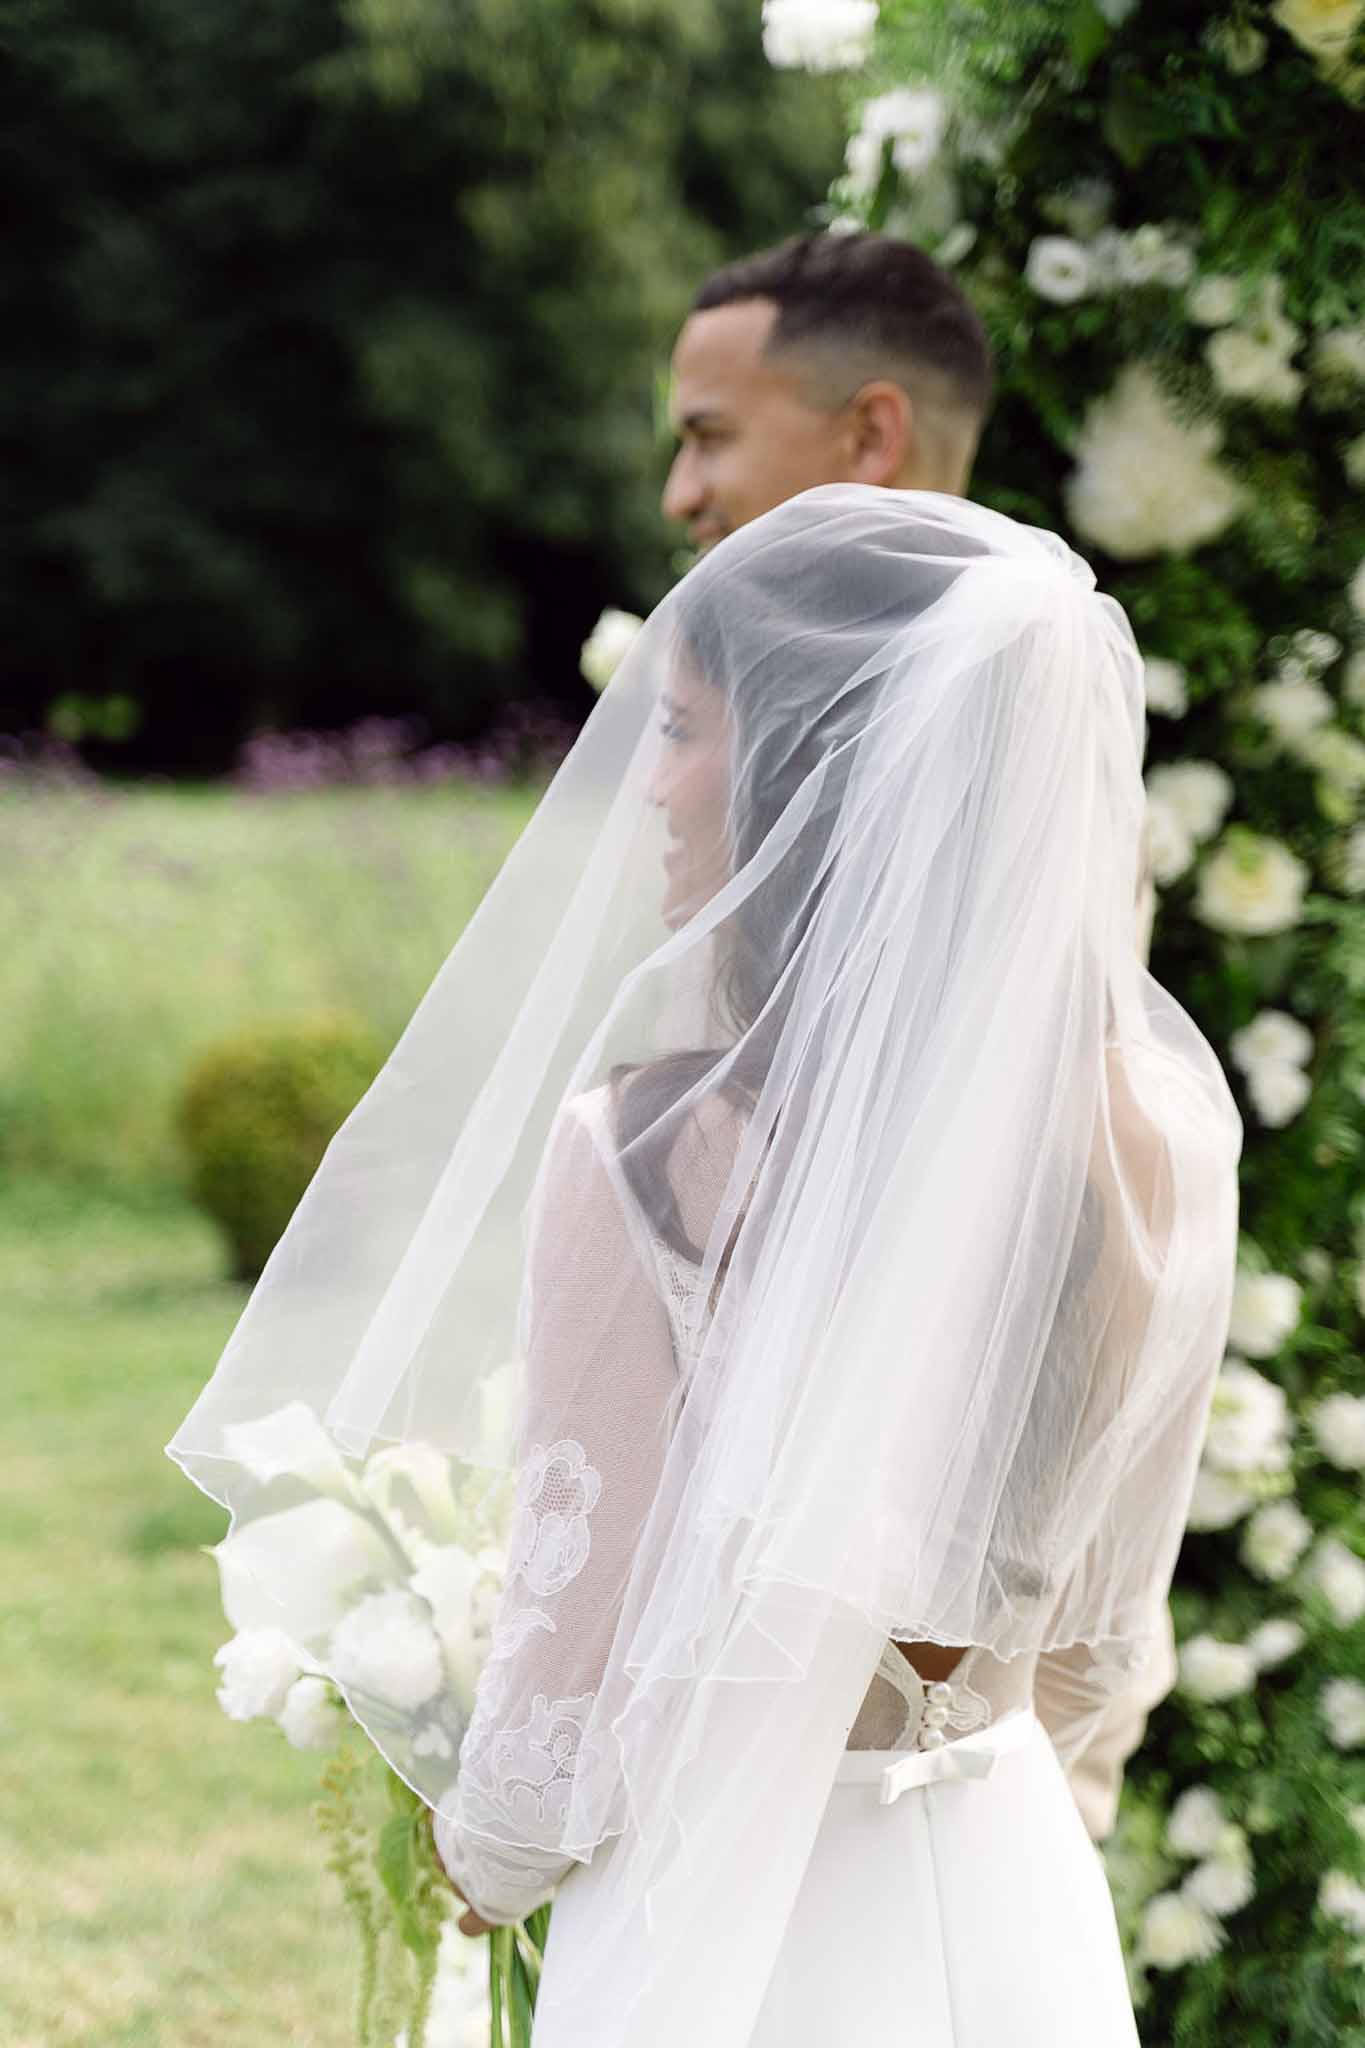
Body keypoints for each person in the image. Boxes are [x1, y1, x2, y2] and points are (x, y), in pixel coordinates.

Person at [168, 485, 1241, 2047]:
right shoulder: (1142, 1133)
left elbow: (571, 1668)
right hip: (1013, 1884)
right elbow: (1103, 1637)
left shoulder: (656, 1152)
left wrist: (486, 1855)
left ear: (811, 764)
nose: (651, 790)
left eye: (680, 731)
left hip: (742, 1916)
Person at [662, 228, 1174, 1840]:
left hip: (875, 1747)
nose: (680, 494)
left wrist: (1030, 1772)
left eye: (707, 434)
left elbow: (1083, 1270)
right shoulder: (753, 712)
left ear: (868, 433)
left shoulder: (1013, 806)